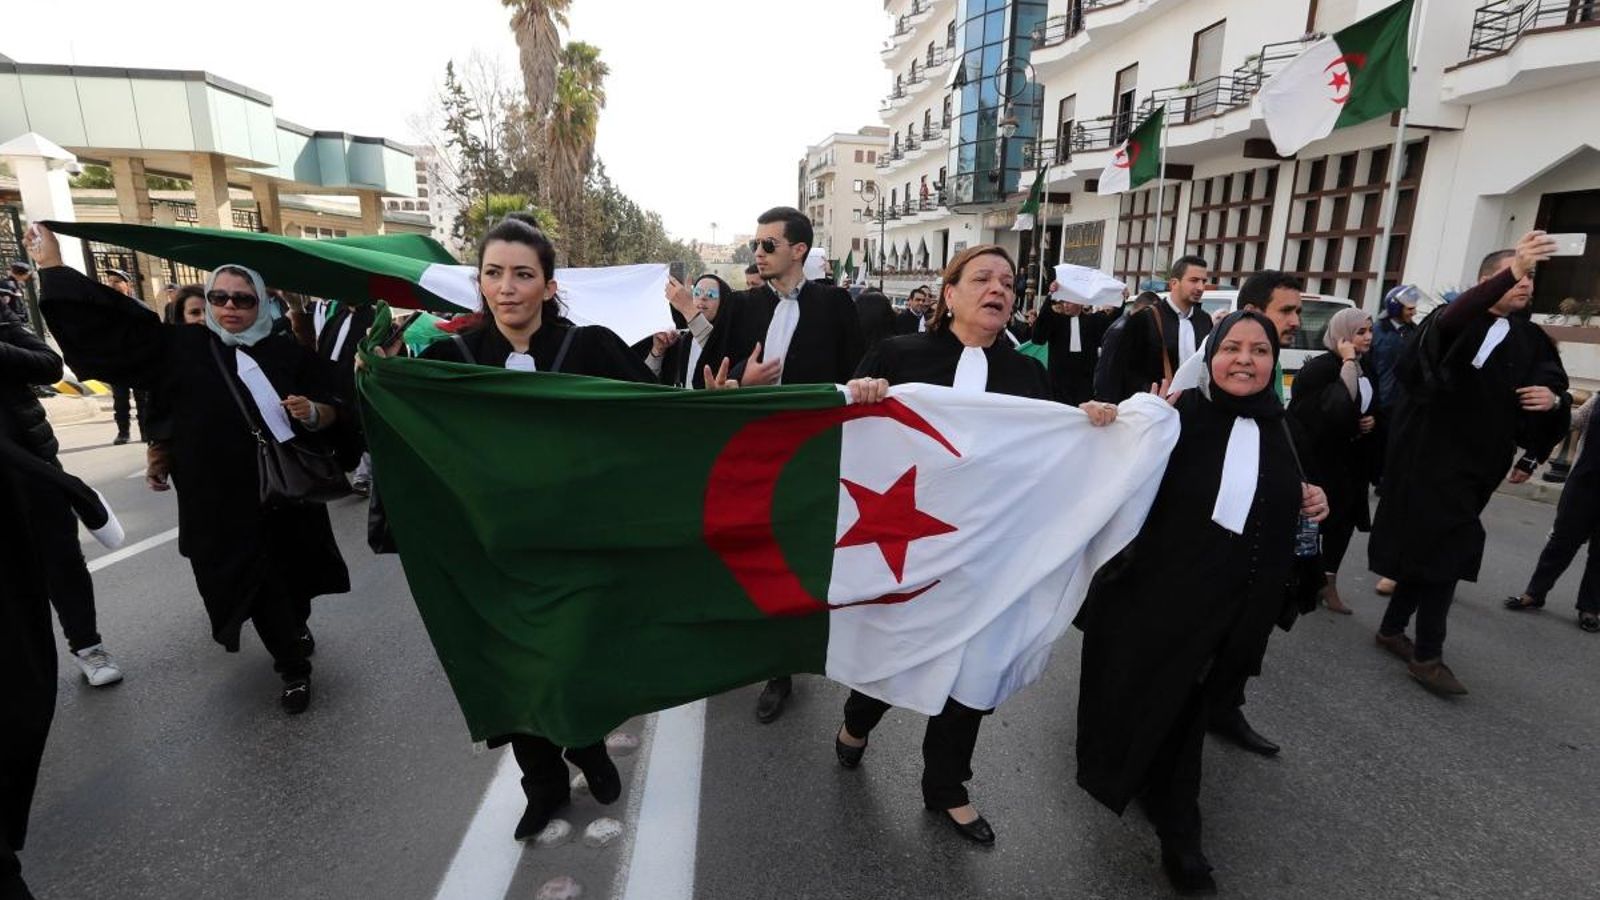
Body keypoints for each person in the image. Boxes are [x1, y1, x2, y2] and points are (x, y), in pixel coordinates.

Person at [835, 245, 1119, 847]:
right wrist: (863, 391)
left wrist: (1088, 420)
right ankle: (857, 721)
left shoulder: (1026, 374)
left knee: (972, 673)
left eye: (1009, 282)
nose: (999, 289)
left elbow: (1050, 448)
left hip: (989, 555)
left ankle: (947, 789)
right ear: (950, 292)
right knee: (901, 648)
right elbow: (854, 430)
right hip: (910, 548)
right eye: (984, 278)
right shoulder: (899, 354)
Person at [32, 224, 351, 714]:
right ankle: (292, 668)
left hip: (286, 495)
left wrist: (315, 412)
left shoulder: (287, 354)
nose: (229, 307)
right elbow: (114, 334)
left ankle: (295, 625)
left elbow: (339, 406)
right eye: (219, 296)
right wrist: (53, 269)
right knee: (258, 584)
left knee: (294, 577)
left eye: (243, 300)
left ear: (261, 303)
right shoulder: (182, 347)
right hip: (221, 501)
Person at [412, 214, 650, 841]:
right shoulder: (448, 359)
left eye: (523, 274)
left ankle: (584, 742)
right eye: (494, 273)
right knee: (511, 673)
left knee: (569, 659)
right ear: (480, 283)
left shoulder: (591, 348)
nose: (507, 287)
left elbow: (659, 418)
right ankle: (541, 787)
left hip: (576, 546)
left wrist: (728, 396)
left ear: (548, 285)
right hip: (491, 550)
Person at [1076, 311, 1329, 896]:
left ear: (1275, 361)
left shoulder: (1286, 429)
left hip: (1237, 611)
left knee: (1184, 719)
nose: (1246, 359)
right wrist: (1099, 422)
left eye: (1260, 350)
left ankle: (1173, 823)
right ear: (1211, 357)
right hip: (1159, 605)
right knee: (1159, 713)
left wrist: (1314, 499)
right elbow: (1108, 466)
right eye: (1232, 348)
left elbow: (1288, 496)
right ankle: (1178, 833)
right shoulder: (1171, 419)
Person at [1370, 233, 1569, 696]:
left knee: (1430, 547)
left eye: (1530, 279)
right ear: (1489, 281)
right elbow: (1447, 327)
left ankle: (1391, 628)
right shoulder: (1453, 320)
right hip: (1429, 457)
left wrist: (1552, 402)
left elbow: (1551, 382)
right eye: (1517, 276)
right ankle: (1428, 654)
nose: (1525, 286)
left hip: (1480, 464)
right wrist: (1513, 267)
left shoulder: (1530, 337)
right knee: (1450, 548)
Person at [695, 206, 866, 723]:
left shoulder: (836, 305)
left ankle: (801, 654)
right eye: (755, 245)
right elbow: (712, 381)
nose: (758, 254)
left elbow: (859, 373)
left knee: (805, 560)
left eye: (768, 245)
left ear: (799, 250)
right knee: (759, 555)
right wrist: (738, 385)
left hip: (815, 457)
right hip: (752, 454)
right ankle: (775, 666)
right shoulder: (742, 308)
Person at [0, 302, 123, 686]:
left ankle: (88, 648)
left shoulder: (2, 319)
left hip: (33, 469)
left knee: (63, 562)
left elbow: (50, 365)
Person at [1289, 308, 1382, 615]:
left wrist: (1369, 421)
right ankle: (1301, 579)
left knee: (1343, 524)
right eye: (1360, 332)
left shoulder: (1366, 365)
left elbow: (1367, 404)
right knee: (1316, 523)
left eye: (1370, 331)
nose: (1368, 337)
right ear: (1342, 336)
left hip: (1352, 461)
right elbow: (1331, 411)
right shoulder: (1321, 368)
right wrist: (1347, 362)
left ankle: (1328, 583)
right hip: (1321, 461)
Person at [1507, 391, 1600, 632]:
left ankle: (1590, 608)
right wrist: (1556, 404)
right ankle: (1534, 593)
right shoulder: (1599, 398)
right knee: (1562, 541)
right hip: (1585, 482)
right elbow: (1574, 421)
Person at [1096, 256, 1213, 403]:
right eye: (1194, 280)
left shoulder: (1204, 320)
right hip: (1153, 408)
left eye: (1204, 281)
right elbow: (1118, 371)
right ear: (1174, 283)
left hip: (1195, 410)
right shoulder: (1144, 319)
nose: (1201, 287)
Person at [1033, 291, 1119, 405]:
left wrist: (1120, 299)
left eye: (1070, 302)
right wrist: (1049, 296)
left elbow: (1113, 322)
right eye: (1064, 301)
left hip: (1084, 385)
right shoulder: (1056, 321)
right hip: (1059, 384)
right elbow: (1038, 337)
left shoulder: (1093, 322)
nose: (1066, 305)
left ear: (1080, 303)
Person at [647, 273, 729, 388]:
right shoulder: (680, 340)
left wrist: (686, 307)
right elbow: (644, 381)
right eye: (697, 293)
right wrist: (658, 351)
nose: (702, 297)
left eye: (711, 294)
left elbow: (714, 347)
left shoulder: (730, 340)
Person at [1237, 270, 1303, 400]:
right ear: (1251, 312)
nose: (1296, 322)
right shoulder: (1210, 361)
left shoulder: (1273, 362)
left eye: (1298, 312)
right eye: (1286, 311)